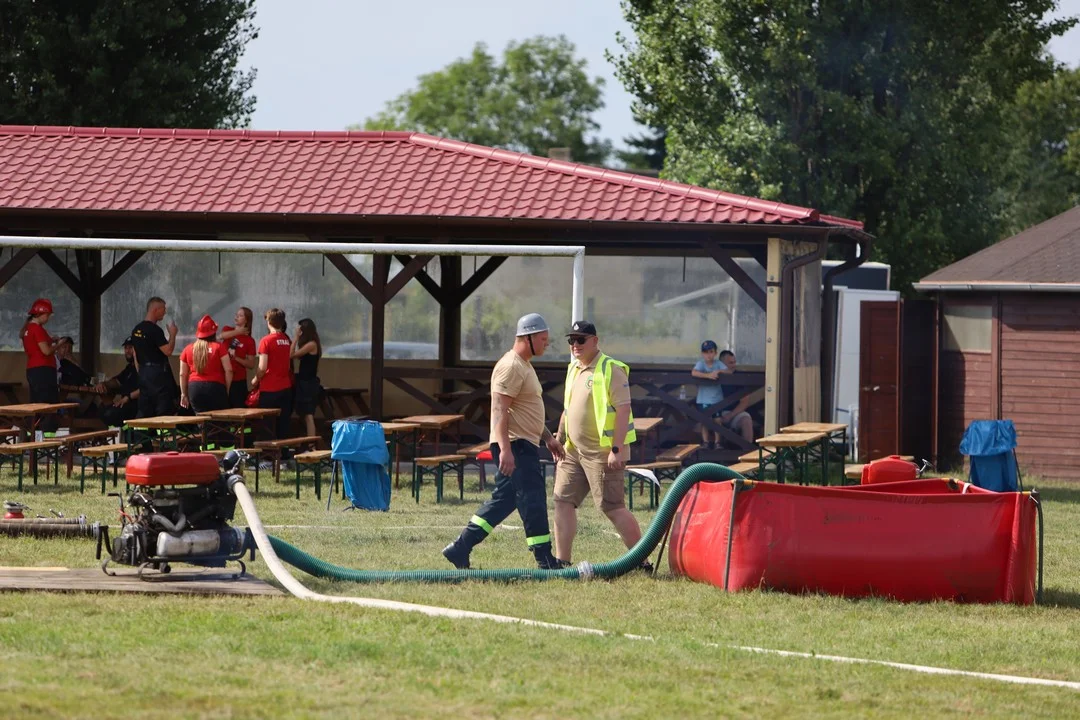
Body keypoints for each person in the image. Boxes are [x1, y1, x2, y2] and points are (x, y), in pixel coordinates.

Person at [443, 313, 565, 570]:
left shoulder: (524, 365)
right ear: (528, 337)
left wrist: (548, 438)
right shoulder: (511, 366)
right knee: (532, 497)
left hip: (523, 442)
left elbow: (525, 411)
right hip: (515, 444)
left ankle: (461, 547)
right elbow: (499, 410)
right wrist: (506, 450)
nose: (547, 343)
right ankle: (544, 559)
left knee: (504, 500)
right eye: (543, 339)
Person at [552, 321, 650, 570]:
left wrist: (616, 449)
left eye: (580, 340)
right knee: (562, 500)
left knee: (612, 507)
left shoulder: (611, 369)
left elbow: (623, 409)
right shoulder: (574, 368)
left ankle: (641, 562)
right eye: (571, 340)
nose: (575, 345)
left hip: (603, 453)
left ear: (595, 341)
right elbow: (568, 406)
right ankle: (562, 562)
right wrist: (560, 436)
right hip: (573, 450)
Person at [130, 297, 178, 417]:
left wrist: (140, 372)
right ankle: (162, 434)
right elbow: (168, 350)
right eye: (163, 309)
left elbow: (135, 354)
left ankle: (141, 434)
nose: (165, 312)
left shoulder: (136, 329)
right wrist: (173, 334)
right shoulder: (155, 330)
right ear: (155, 310)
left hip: (143, 373)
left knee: (145, 408)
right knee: (163, 408)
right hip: (157, 375)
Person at [252, 308, 293, 439]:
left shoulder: (266, 341)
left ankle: (267, 456)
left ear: (268, 322)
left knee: (267, 424)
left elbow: (262, 367)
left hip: (269, 388)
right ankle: (284, 453)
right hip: (285, 387)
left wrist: (255, 379)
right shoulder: (287, 340)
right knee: (284, 422)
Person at [179, 315, 232, 413]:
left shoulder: (188, 349)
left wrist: (183, 394)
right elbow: (228, 370)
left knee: (201, 421)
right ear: (214, 333)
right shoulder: (219, 347)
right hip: (216, 386)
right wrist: (226, 390)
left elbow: (182, 374)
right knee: (220, 423)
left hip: (194, 388)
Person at [690, 340, 733, 449]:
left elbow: (729, 371)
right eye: (705, 352)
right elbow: (694, 372)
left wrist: (719, 371)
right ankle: (706, 442)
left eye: (711, 352)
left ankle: (717, 442)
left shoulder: (718, 364)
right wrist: (708, 376)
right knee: (704, 421)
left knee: (717, 420)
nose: (708, 355)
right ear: (702, 353)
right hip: (703, 399)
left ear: (715, 353)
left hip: (717, 399)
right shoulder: (700, 364)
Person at [21, 298, 61, 412]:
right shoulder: (37, 329)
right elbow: (46, 351)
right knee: (47, 402)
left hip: (33, 369)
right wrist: (59, 344)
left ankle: (34, 428)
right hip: (43, 369)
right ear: (40, 314)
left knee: (36, 401)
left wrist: (51, 340)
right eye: (47, 315)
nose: (48, 318)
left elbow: (35, 346)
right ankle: (47, 428)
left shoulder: (28, 329)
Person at [96, 337, 140, 428]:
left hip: (138, 406)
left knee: (110, 413)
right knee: (101, 409)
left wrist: (128, 397)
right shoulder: (129, 368)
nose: (127, 351)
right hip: (124, 404)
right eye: (126, 348)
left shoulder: (143, 367)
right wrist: (104, 384)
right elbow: (117, 381)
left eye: (130, 348)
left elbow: (146, 388)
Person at [220, 307, 257, 408]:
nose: (236, 317)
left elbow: (251, 364)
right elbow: (221, 336)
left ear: (247, 320)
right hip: (222, 376)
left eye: (240, 316)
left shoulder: (249, 340)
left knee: (238, 409)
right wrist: (238, 332)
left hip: (238, 380)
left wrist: (235, 358)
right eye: (236, 314)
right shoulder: (227, 329)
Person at [291, 318, 322, 437]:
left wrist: (295, 338)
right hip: (304, 381)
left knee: (309, 415)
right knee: (304, 414)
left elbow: (291, 355)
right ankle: (308, 441)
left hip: (308, 383)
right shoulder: (310, 344)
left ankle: (311, 445)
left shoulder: (311, 344)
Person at [717, 350, 754, 444]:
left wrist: (731, 415)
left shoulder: (739, 377)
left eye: (734, 362)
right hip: (715, 413)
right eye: (730, 363)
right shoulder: (713, 375)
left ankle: (748, 453)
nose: (734, 365)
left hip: (734, 413)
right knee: (698, 423)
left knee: (746, 420)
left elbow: (744, 401)